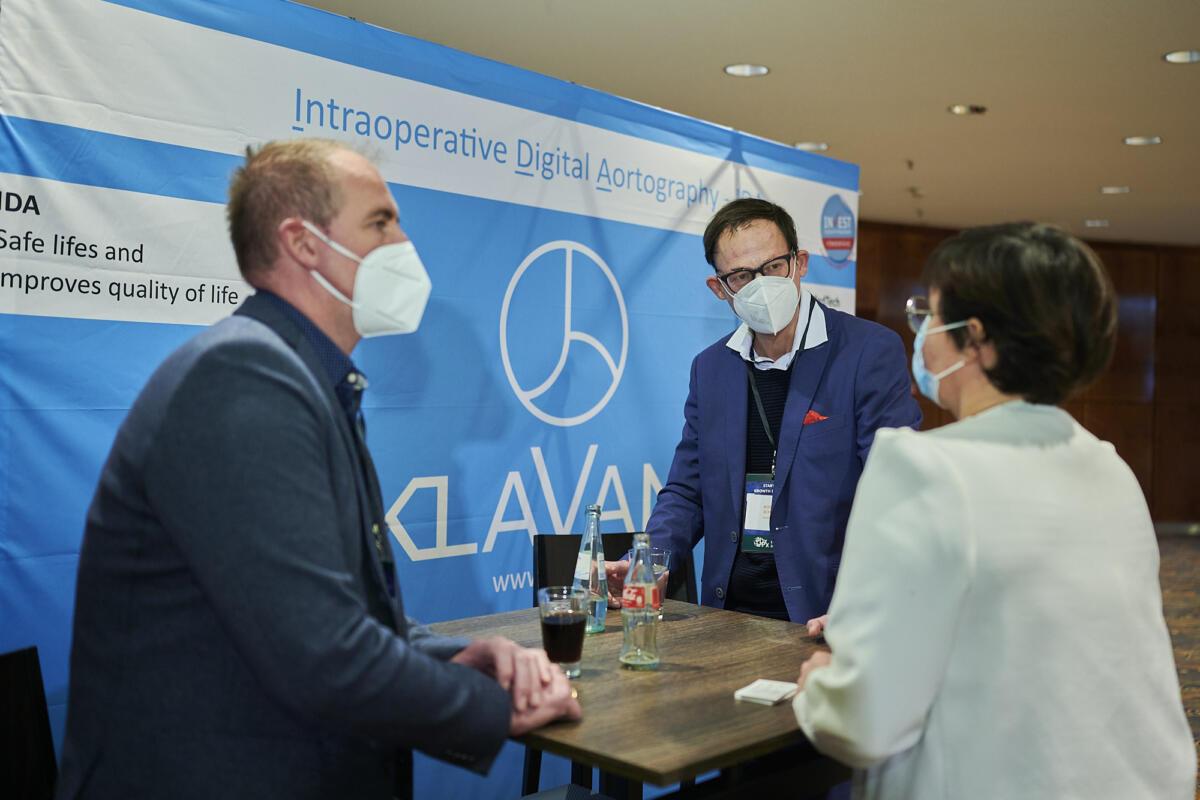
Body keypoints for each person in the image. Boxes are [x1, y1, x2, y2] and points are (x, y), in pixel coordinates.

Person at [56, 139, 580, 800]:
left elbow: (333, 615)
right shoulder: (243, 378)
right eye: (381, 223)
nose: (403, 243)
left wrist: (460, 658)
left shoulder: (306, 379)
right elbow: (320, 654)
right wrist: (499, 707)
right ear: (303, 243)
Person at [794, 223, 1195, 798]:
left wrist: (822, 684)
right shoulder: (1110, 467)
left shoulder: (922, 467)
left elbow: (862, 722)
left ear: (975, 338)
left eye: (930, 316)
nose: (921, 334)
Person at [610, 199, 921, 627]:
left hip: (827, 615)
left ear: (800, 263)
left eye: (773, 266)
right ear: (719, 288)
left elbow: (897, 491)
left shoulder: (867, 352)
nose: (761, 284)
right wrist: (648, 562)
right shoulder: (711, 368)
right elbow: (687, 490)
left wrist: (867, 603)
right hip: (727, 615)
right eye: (741, 275)